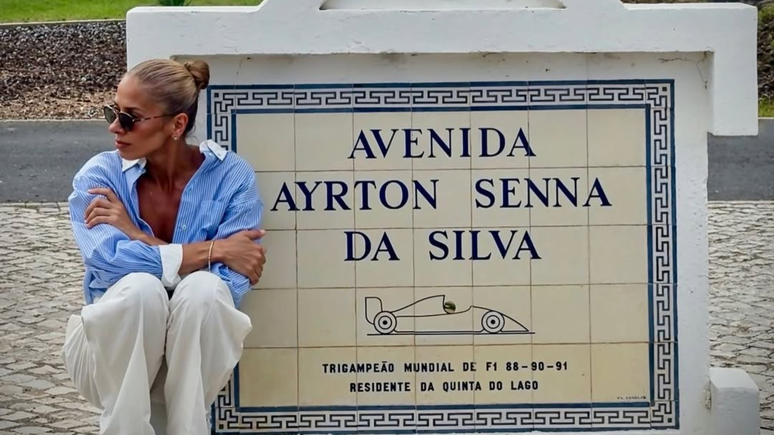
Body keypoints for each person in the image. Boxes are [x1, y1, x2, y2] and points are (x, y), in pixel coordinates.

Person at [61, 58, 266, 435]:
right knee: (139, 290)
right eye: (113, 111)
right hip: (111, 358)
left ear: (177, 124)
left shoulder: (232, 175)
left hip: (192, 356)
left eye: (130, 118)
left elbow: (233, 283)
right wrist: (214, 249)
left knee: (205, 290)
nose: (114, 127)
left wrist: (139, 238)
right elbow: (107, 262)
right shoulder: (100, 176)